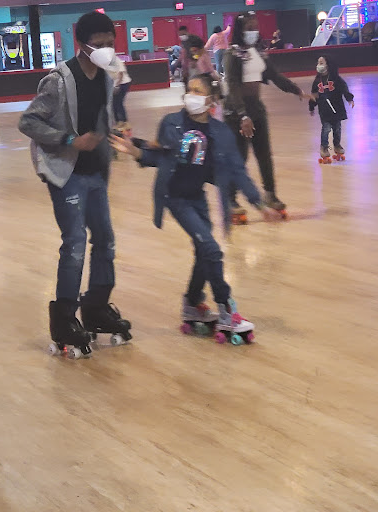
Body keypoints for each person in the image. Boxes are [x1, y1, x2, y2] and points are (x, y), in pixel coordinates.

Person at [110, 74, 280, 345]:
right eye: (189, 90)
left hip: (197, 197)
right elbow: (162, 157)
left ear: (211, 100)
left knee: (204, 251)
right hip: (175, 197)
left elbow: (238, 171)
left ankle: (192, 303)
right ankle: (226, 309)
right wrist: (137, 152)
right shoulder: (171, 123)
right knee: (211, 249)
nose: (191, 95)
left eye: (198, 91)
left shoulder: (221, 133)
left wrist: (259, 203)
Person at [19, 11, 131, 358]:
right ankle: (64, 318)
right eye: (99, 44)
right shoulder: (58, 81)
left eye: (110, 43)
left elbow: (102, 121)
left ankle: (95, 306)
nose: (106, 49)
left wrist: (115, 138)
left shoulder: (107, 78)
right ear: (81, 44)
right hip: (66, 174)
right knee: (75, 243)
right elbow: (28, 122)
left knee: (106, 240)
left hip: (96, 173)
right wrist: (69, 139)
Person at [224, 11, 311, 217]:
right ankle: (230, 199)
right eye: (249, 28)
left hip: (256, 108)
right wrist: (242, 115)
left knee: (264, 154)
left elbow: (274, 75)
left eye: (255, 27)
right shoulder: (232, 54)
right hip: (236, 111)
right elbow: (233, 85)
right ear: (240, 30)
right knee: (239, 157)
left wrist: (296, 90)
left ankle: (270, 195)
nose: (254, 31)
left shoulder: (259, 51)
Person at [309, 56, 354, 163]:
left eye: (321, 63)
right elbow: (314, 95)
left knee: (337, 128)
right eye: (318, 63)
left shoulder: (336, 79)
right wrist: (311, 106)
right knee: (326, 128)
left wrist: (349, 98)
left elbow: (344, 88)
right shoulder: (317, 81)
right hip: (324, 109)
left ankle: (337, 145)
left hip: (337, 108)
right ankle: (324, 148)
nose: (319, 65)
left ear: (328, 65)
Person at [108, 55, 132, 131]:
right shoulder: (105, 62)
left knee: (118, 103)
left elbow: (121, 74)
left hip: (122, 84)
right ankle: (119, 122)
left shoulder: (115, 60)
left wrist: (117, 86)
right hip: (114, 85)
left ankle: (125, 122)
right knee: (113, 104)